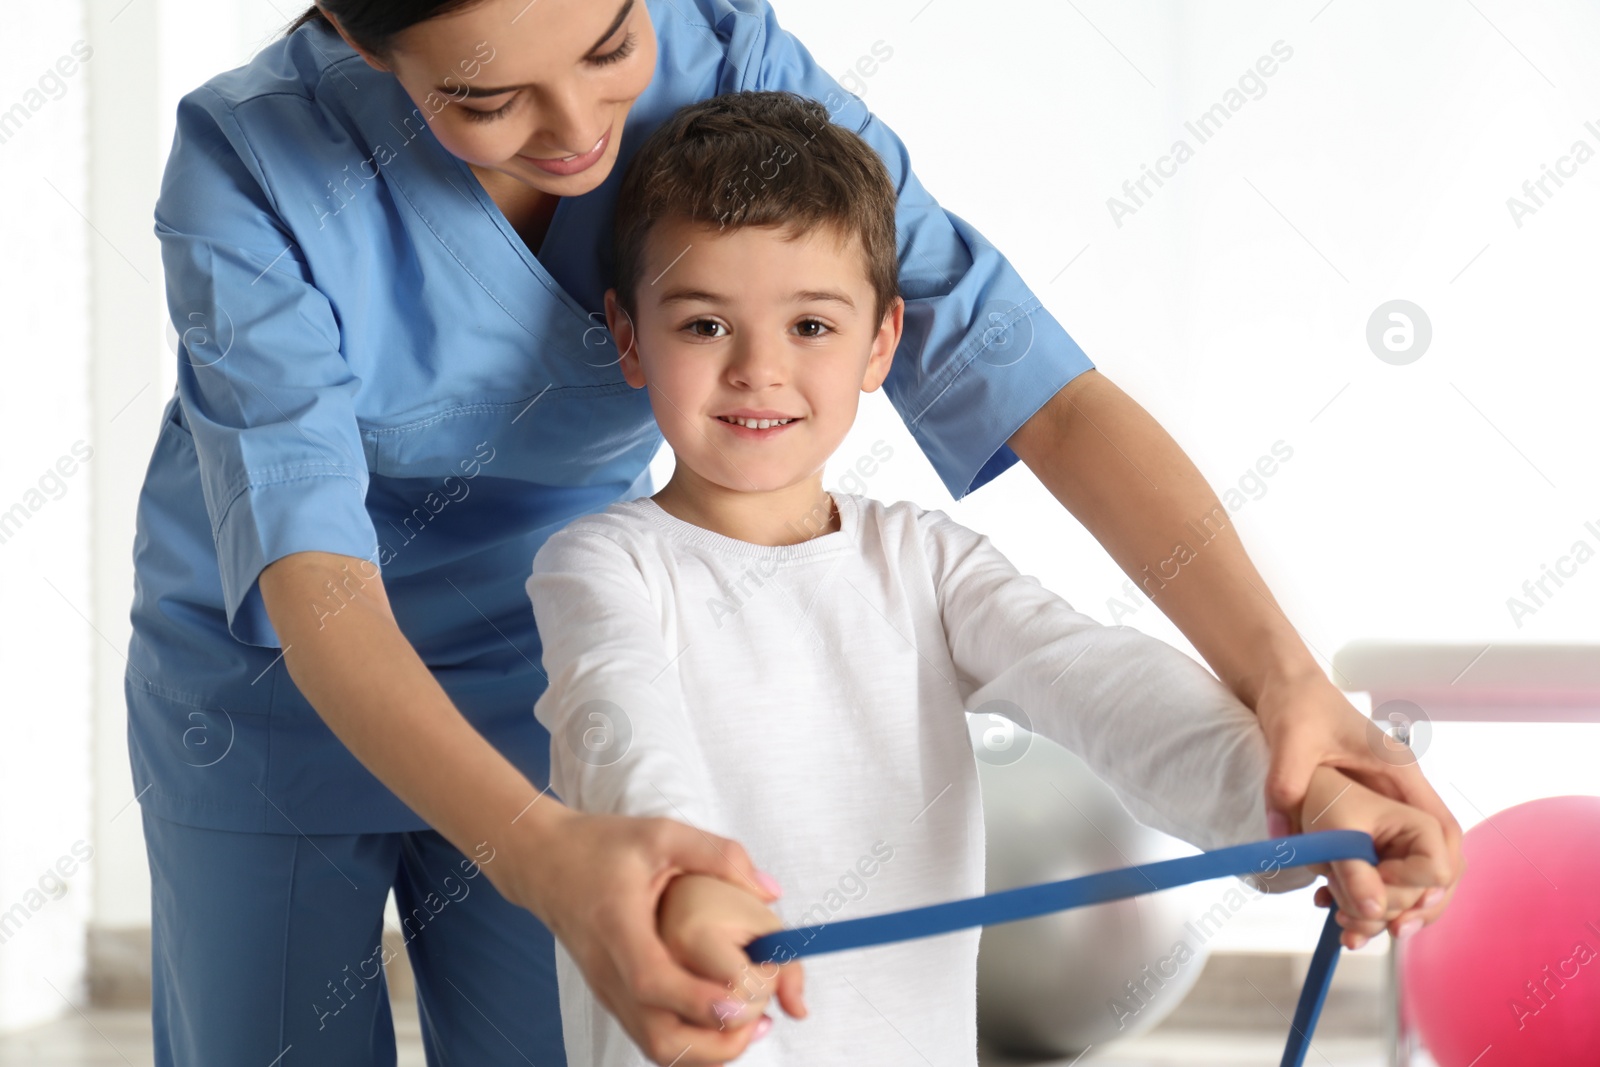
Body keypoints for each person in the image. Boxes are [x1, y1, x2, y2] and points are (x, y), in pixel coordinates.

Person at [131, 1, 1459, 1064]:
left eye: (609, 47)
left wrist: (1286, 702)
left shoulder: (724, 61)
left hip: (539, 673)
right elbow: (321, 584)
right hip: (278, 680)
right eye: (486, 99)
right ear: (366, 43)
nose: (584, 125)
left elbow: (1036, 395)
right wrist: (548, 851)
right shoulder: (253, 162)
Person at [525, 89, 1456, 1066]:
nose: (760, 368)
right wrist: (682, 879)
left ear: (880, 342)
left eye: (809, 325)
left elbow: (1104, 685)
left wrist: (1308, 803)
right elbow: (623, 735)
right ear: (630, 336)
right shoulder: (601, 565)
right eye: (706, 325)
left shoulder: (925, 560)